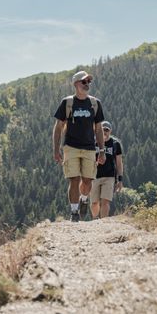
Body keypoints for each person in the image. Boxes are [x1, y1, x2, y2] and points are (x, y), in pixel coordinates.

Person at [53, 70, 106, 222]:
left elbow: (98, 128)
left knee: (88, 180)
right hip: (71, 147)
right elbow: (58, 127)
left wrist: (101, 151)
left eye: (89, 81)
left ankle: (84, 199)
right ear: (76, 84)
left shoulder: (95, 103)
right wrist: (56, 149)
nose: (87, 84)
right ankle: (74, 212)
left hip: (90, 147)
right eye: (84, 82)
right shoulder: (67, 103)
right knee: (74, 180)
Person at [90, 121, 124, 219]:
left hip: (109, 177)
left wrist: (120, 179)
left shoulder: (115, 144)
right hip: (94, 176)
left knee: (105, 201)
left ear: (110, 131)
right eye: (102, 129)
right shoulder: (92, 142)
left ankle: (103, 222)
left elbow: (119, 163)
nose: (104, 132)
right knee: (94, 202)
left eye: (106, 130)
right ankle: (95, 220)